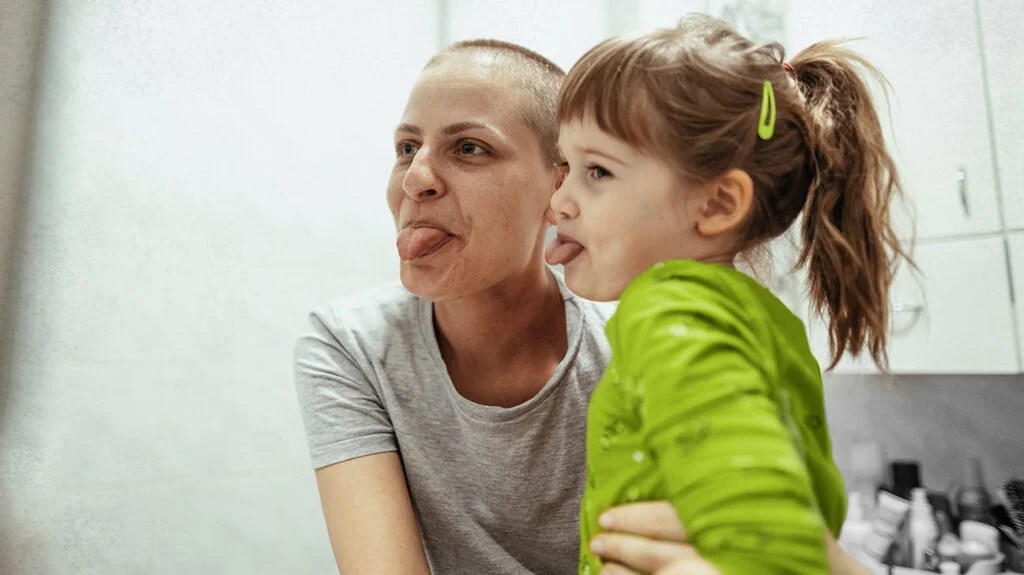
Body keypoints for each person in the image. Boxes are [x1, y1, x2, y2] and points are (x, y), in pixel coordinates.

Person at [294, 35, 872, 575]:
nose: (415, 178)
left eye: (469, 148)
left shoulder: (654, 325)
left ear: (554, 185)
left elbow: (765, 529)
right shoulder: (350, 344)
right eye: (406, 147)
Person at [546, 14, 909, 575]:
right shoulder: (754, 315)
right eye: (566, 166)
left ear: (716, 205)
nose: (559, 202)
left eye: (597, 171)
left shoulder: (668, 308)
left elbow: (765, 535)